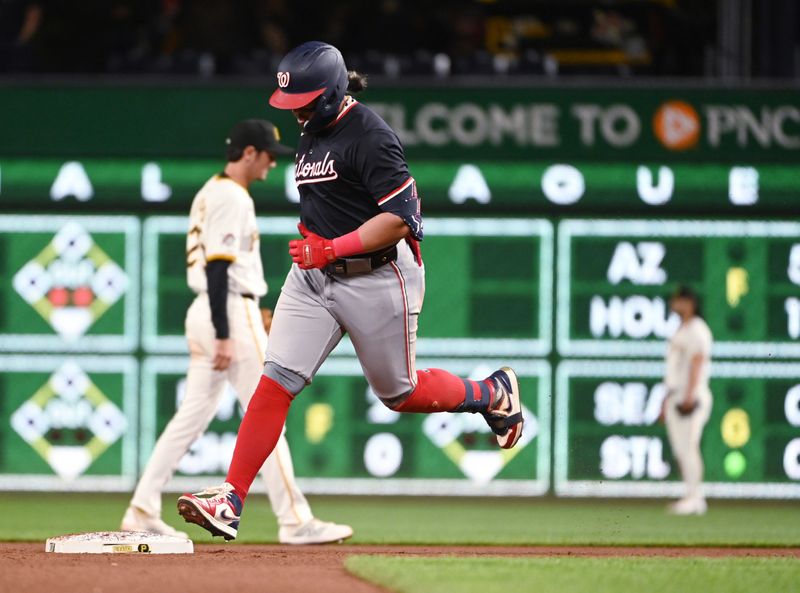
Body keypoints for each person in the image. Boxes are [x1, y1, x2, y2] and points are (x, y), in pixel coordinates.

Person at [176, 41, 523, 541]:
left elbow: (400, 221)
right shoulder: (311, 130)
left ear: (333, 92)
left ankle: (492, 393)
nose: (296, 113)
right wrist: (319, 250)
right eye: (290, 103)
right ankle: (230, 500)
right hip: (316, 278)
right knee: (273, 382)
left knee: (399, 393)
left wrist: (330, 248)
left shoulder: (371, 136)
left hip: (378, 276)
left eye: (305, 102)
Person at [122, 119, 353, 545]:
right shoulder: (232, 195)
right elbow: (218, 268)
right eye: (267, 155)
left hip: (210, 312)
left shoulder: (210, 191)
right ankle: (295, 520)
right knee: (269, 412)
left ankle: (141, 507)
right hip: (225, 308)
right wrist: (228, 331)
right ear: (249, 153)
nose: (271, 163)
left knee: (190, 419)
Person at [661, 285, 713, 515]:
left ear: (689, 303)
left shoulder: (697, 329)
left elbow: (697, 362)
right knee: (681, 449)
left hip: (691, 396)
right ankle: (690, 495)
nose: (674, 305)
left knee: (689, 447)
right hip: (676, 394)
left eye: (678, 300)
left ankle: (695, 497)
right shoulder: (681, 329)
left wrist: (690, 396)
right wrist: (666, 401)